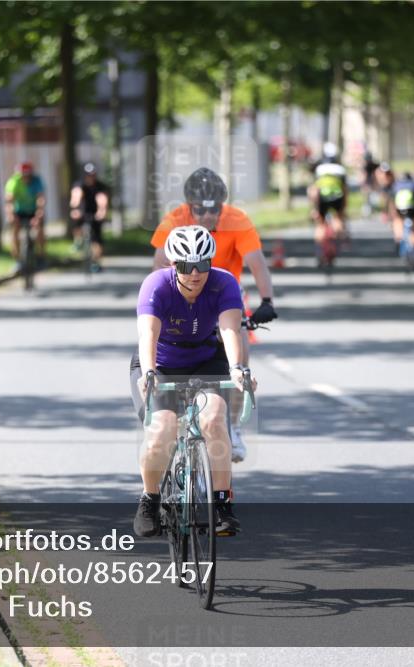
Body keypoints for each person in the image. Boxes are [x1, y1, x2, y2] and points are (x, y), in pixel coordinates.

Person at [131, 225, 256, 537]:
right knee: (162, 429)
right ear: (173, 264)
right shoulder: (156, 285)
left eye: (202, 264)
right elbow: (148, 334)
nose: (196, 273)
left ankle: (222, 503)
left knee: (214, 417)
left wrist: (237, 368)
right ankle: (149, 499)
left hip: (205, 360)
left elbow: (229, 329)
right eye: (187, 266)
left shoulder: (223, 282)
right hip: (160, 363)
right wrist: (149, 373)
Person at [151, 167, 277, 463]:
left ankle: (232, 426)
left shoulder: (237, 220)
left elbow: (256, 262)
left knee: (238, 349)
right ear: (189, 206)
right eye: (200, 209)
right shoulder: (174, 220)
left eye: (215, 209)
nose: (208, 216)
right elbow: (158, 267)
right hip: (183, 293)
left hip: (224, 296)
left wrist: (267, 300)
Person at [4, 162, 47, 268]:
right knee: (14, 231)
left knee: (39, 228)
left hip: (33, 211)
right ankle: (17, 259)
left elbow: (41, 198)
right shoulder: (14, 182)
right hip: (19, 211)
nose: (26, 178)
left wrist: (39, 213)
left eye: (28, 176)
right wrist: (11, 214)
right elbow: (9, 201)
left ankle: (41, 256)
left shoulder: (37, 181)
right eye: (23, 175)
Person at [69, 162, 110, 272]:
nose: (91, 177)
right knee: (76, 220)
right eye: (88, 175)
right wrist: (75, 208)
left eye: (92, 175)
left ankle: (96, 262)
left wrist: (102, 212)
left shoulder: (100, 186)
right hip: (82, 212)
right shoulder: (79, 185)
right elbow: (75, 197)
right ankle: (78, 241)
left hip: (95, 214)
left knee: (97, 240)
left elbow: (102, 200)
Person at [309, 162, 349, 259]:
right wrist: (343, 210)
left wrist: (314, 208)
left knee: (320, 224)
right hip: (337, 197)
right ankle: (338, 239)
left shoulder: (320, 169)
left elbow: (314, 191)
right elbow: (344, 190)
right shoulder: (340, 169)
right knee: (338, 218)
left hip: (322, 198)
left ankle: (319, 249)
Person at [389, 171, 414, 266]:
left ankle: (398, 240)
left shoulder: (396, 186)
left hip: (399, 209)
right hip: (411, 209)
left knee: (398, 223)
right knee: (413, 231)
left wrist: (393, 217)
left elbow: (392, 204)